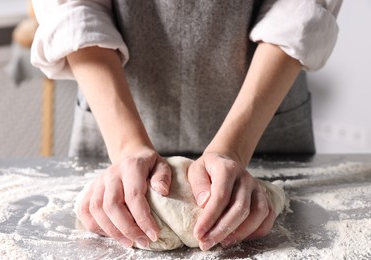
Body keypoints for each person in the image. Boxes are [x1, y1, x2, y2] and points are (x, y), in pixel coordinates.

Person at [31, 0, 342, 251]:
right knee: (114, 214)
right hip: (112, 114)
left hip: (263, 118)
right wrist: (127, 147)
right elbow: (71, 8)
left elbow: (298, 8)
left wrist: (233, 149)